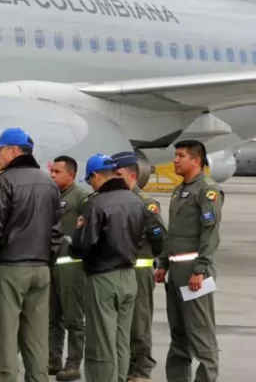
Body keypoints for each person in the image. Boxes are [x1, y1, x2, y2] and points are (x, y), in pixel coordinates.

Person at [0, 128, 62, 382]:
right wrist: (46, 260)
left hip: (10, 268)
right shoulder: (49, 183)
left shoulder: (4, 182)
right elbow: (56, 232)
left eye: (0, 150)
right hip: (40, 269)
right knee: (36, 339)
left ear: (13, 151)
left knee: (3, 339)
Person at [70, 154, 165, 382]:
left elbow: (83, 244)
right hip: (129, 277)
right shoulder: (138, 201)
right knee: (122, 340)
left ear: (96, 176)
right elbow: (159, 239)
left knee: (101, 340)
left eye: (90, 179)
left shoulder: (96, 203)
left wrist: (73, 245)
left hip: (103, 277)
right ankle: (121, 378)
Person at [154, 140, 223, 382]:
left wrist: (200, 270)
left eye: (181, 155)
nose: (175, 160)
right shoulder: (180, 189)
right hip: (176, 269)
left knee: (201, 333)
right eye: (175, 155)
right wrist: (162, 264)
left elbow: (210, 234)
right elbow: (173, 233)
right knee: (179, 332)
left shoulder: (207, 190)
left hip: (194, 271)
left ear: (196, 160)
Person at [112, 151, 167, 382]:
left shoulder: (146, 204)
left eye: (118, 174)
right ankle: (124, 366)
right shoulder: (113, 200)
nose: (113, 178)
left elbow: (160, 239)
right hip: (116, 271)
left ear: (132, 175)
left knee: (138, 323)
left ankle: (142, 368)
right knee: (118, 324)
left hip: (138, 271)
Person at [48, 155, 91, 382]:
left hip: (72, 268)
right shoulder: (51, 196)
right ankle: (53, 359)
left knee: (74, 319)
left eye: (57, 172)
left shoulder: (81, 197)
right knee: (52, 317)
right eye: (52, 171)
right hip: (52, 266)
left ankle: (73, 363)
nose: (52, 175)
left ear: (71, 175)